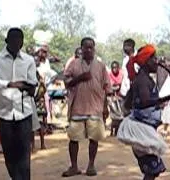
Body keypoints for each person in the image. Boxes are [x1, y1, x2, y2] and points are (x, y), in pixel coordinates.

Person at [117, 44, 170, 180]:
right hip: (140, 131)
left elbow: (130, 103)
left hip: (143, 129)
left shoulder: (142, 79)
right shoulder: (142, 80)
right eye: (153, 58)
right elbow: (145, 101)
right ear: (146, 61)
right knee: (152, 170)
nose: (156, 61)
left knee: (153, 169)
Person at [0, 28, 38, 180]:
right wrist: (9, 84)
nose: (17, 43)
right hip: (4, 113)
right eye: (14, 40)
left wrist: (28, 86)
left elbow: (32, 82)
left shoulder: (28, 60)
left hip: (24, 111)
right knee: (9, 153)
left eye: (20, 40)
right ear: (7, 41)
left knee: (24, 153)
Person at [62, 37, 111, 177]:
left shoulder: (101, 66)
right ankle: (74, 166)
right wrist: (80, 78)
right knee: (73, 139)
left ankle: (91, 165)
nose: (89, 50)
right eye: (86, 47)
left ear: (94, 49)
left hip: (95, 107)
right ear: (81, 49)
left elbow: (106, 87)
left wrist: (105, 107)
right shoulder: (74, 64)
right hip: (78, 106)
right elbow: (66, 82)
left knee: (93, 139)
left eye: (91, 47)